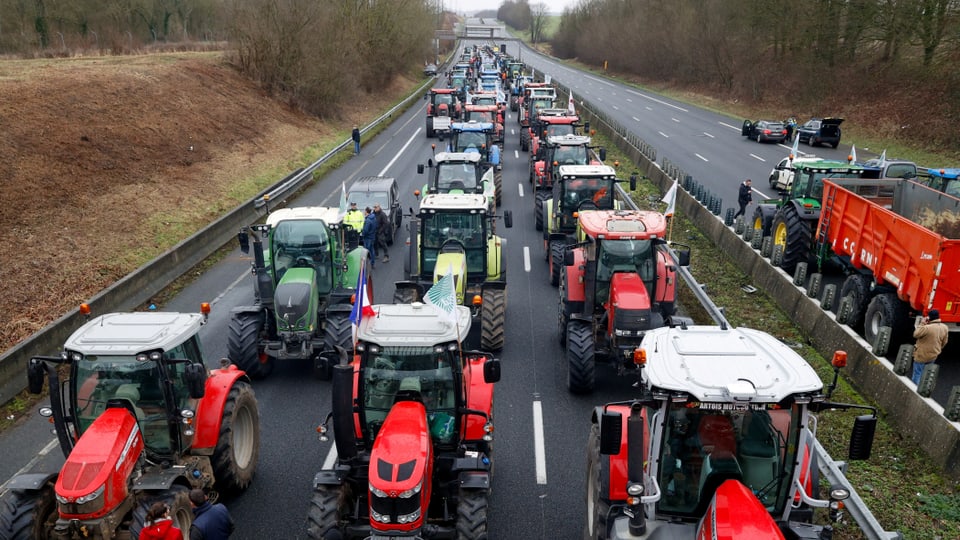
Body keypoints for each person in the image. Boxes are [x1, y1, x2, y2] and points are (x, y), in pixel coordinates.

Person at [912, 309, 948, 385]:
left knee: (918, 373)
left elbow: (916, 334)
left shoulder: (927, 328)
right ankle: (925, 389)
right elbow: (944, 342)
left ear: (930, 317)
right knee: (927, 373)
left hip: (921, 355)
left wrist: (922, 323)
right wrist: (938, 349)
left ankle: (915, 389)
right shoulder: (944, 327)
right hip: (933, 355)